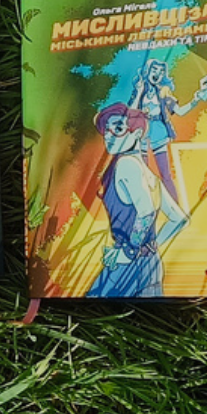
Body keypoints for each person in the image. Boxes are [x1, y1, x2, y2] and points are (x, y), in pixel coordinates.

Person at [87, 103, 188, 298]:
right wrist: (149, 247)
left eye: (118, 128)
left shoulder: (126, 165)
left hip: (127, 266)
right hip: (151, 264)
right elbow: (179, 219)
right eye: (106, 130)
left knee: (93, 304)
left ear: (137, 133)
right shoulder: (150, 175)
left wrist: (130, 252)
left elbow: (146, 212)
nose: (108, 135)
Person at [128, 58, 207, 203]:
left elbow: (180, 111)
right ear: (147, 71)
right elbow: (131, 112)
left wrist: (196, 99)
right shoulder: (140, 90)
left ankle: (175, 206)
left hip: (158, 132)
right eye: (154, 70)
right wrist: (139, 91)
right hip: (141, 132)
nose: (157, 74)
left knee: (165, 174)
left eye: (161, 72)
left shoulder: (163, 92)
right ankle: (145, 207)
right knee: (143, 174)